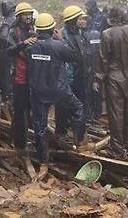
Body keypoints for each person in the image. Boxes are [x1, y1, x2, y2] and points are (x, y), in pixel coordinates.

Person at [26, 13, 90, 180]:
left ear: (37, 30)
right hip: (59, 89)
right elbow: (75, 57)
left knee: (40, 126)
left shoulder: (29, 47)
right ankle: (80, 142)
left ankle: (43, 162)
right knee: (78, 108)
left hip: (39, 92)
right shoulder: (58, 46)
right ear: (52, 29)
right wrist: (62, 40)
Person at [95, 8, 128, 157]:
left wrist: (98, 78)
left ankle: (117, 146)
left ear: (110, 19)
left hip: (114, 78)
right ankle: (127, 140)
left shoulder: (107, 34)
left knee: (116, 112)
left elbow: (103, 58)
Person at [6, 2, 37, 151]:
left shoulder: (32, 29)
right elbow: (8, 50)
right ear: (19, 16)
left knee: (30, 109)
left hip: (32, 75)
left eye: (30, 14)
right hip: (19, 76)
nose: (28, 17)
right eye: (25, 14)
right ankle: (18, 143)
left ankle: (22, 138)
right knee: (19, 110)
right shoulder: (13, 31)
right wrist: (23, 43)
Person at [58, 5, 90, 135]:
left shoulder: (81, 33)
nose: (84, 21)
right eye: (80, 19)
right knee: (64, 104)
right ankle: (63, 129)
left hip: (80, 74)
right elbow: (69, 54)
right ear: (72, 20)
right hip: (68, 76)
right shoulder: (62, 34)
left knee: (80, 101)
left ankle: (77, 126)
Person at [0, 1, 16, 102]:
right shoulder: (17, 19)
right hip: (17, 52)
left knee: (6, 76)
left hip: (7, 52)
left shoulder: (8, 21)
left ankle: (8, 97)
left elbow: (3, 37)